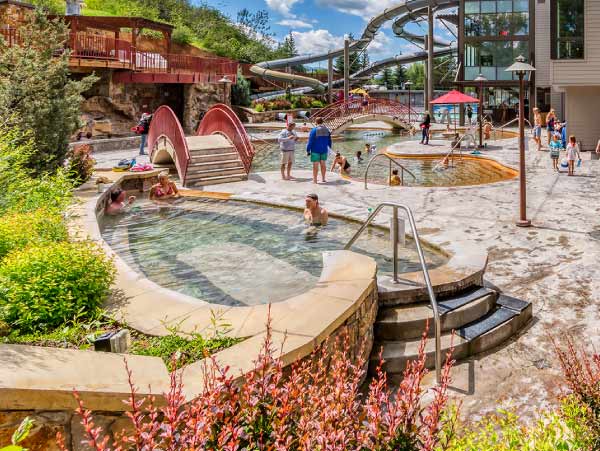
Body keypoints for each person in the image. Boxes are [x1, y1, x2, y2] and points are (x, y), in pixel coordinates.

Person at [306, 117, 332, 184]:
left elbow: (310, 141)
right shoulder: (327, 130)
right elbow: (330, 141)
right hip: (324, 150)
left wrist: (308, 150)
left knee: (315, 165)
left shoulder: (314, 130)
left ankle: (315, 180)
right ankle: (323, 179)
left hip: (315, 150)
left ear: (316, 122)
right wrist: (329, 148)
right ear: (322, 122)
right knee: (323, 164)